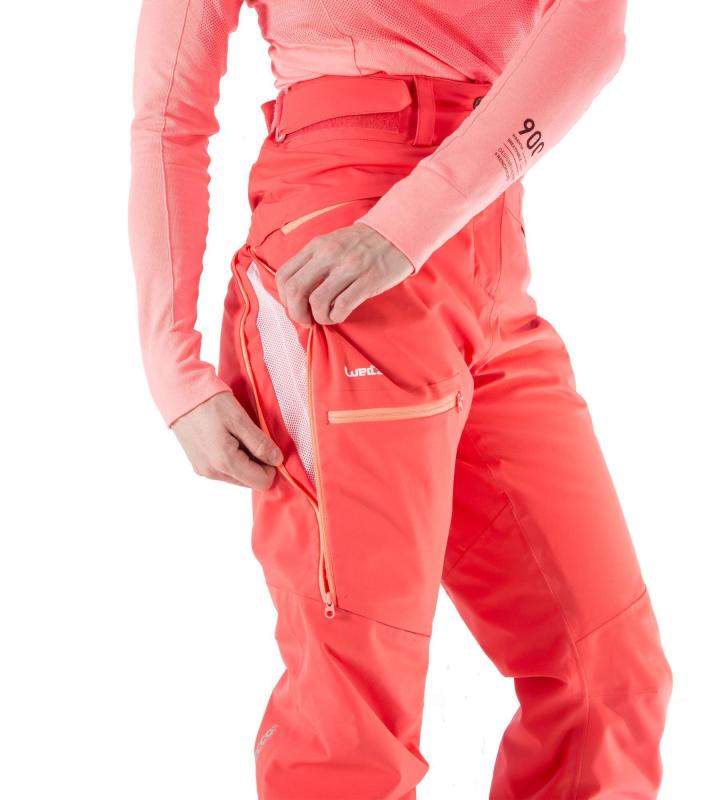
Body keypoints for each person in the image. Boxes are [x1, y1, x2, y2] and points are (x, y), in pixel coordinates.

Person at [127, 1, 673, 797]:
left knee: (607, 672)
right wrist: (171, 365)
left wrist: (414, 223)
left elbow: (594, 28)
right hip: (337, 246)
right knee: (354, 712)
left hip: (481, 232)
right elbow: (169, 110)